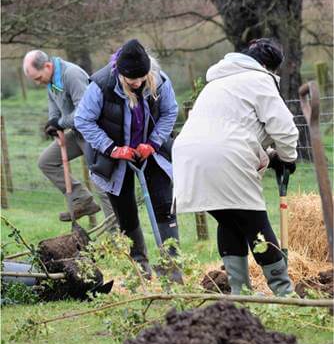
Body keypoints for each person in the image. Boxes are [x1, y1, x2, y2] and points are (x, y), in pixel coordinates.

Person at [172, 38, 299, 296]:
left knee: (229, 221)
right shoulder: (259, 80)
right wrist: (287, 158)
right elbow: (284, 129)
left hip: (189, 157)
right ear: (266, 66)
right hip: (225, 155)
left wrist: (270, 155)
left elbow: (233, 126)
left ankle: (239, 292)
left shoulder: (217, 82)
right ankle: (284, 292)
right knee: (255, 224)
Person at [74, 39, 183, 283]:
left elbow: (170, 112)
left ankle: (172, 271)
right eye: (130, 79)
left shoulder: (159, 80)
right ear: (120, 73)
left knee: (165, 207)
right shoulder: (101, 84)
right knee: (126, 214)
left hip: (150, 151)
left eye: (141, 78)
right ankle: (141, 271)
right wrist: (112, 148)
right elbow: (83, 120)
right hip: (115, 156)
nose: (136, 83)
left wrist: (153, 143)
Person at [23, 50, 115, 224]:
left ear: (48, 66)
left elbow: (85, 111)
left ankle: (118, 238)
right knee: (46, 161)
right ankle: (82, 199)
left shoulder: (71, 75)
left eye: (37, 77)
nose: (37, 82)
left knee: (101, 186)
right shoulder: (50, 81)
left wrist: (61, 122)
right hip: (77, 132)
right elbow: (54, 106)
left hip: (94, 133)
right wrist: (52, 122)